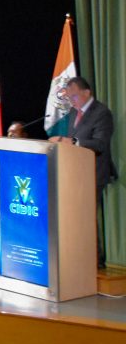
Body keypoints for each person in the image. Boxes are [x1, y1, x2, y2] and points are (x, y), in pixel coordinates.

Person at [49, 76, 117, 266]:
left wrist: (73, 143)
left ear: (87, 93)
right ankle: (79, 257)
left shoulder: (102, 112)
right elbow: (73, 140)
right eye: (69, 97)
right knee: (76, 217)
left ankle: (96, 261)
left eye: (74, 96)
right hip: (76, 173)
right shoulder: (73, 112)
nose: (71, 100)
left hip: (94, 173)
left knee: (86, 217)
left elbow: (100, 143)